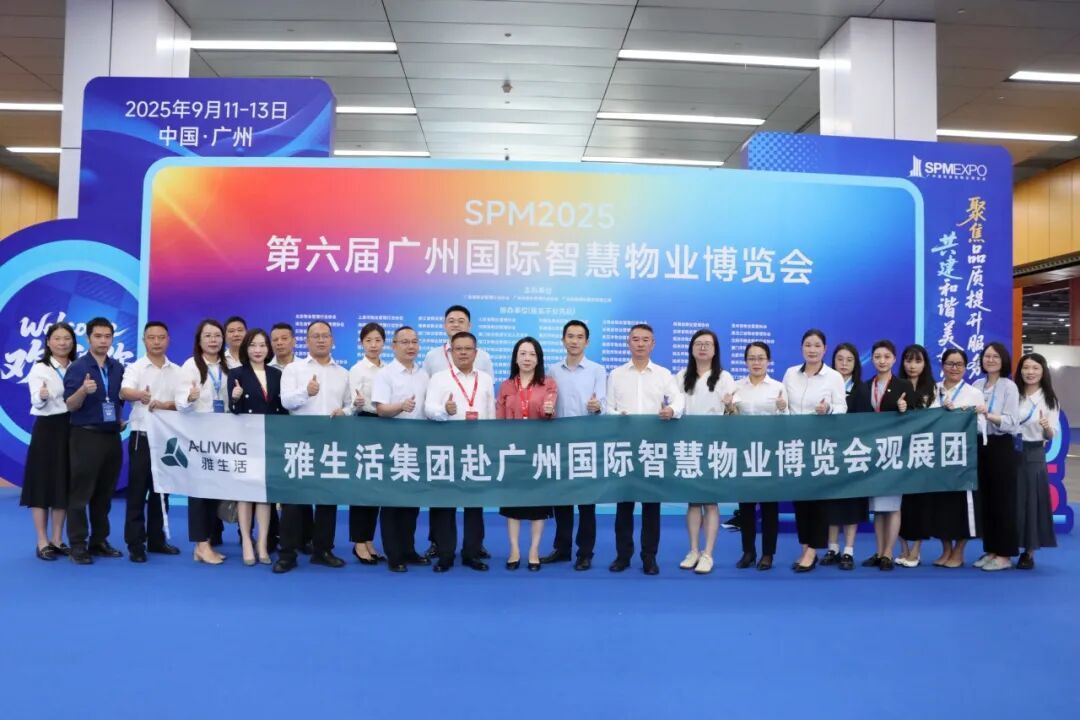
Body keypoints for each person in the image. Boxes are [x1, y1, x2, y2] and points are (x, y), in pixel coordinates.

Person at [606, 323, 684, 575]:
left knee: (651, 506)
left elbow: (679, 400)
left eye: (645, 340)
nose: (640, 344)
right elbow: (608, 408)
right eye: (635, 339)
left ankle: (649, 557)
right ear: (628, 343)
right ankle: (623, 556)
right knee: (624, 505)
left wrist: (671, 410)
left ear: (653, 344)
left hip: (652, 448)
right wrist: (617, 415)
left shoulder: (663, 374)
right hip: (624, 447)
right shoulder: (616, 374)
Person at [276, 320, 353, 573]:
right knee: (293, 501)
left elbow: (349, 404)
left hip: (331, 443)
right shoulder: (293, 369)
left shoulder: (343, 373)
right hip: (300, 442)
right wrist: (306, 392)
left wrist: (346, 412)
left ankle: (323, 550)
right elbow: (286, 402)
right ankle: (287, 554)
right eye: (315, 336)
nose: (321, 340)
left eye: (325, 336)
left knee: (327, 500)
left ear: (332, 340)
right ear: (306, 341)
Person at [421, 304, 493, 562]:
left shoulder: (485, 378)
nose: (463, 353)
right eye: (458, 349)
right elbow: (428, 408)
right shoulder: (439, 378)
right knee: (445, 502)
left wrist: (491, 443)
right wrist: (445, 410)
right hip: (446, 446)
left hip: (476, 447)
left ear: (476, 352)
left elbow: (491, 412)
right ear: (450, 352)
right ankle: (445, 553)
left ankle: (472, 552)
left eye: (467, 349)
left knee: (474, 503)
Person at [782, 328, 847, 573]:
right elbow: (784, 408)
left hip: (821, 445)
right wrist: (781, 407)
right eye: (808, 345)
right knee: (800, 500)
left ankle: (812, 550)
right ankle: (805, 546)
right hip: (796, 445)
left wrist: (827, 409)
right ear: (802, 348)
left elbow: (842, 408)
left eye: (817, 345)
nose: (812, 349)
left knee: (818, 500)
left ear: (825, 349)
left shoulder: (833, 377)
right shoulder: (790, 373)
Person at [63, 317, 126, 565]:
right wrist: (82, 391)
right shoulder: (78, 368)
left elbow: (117, 400)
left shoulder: (117, 367)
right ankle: (77, 544)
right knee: (80, 494)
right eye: (98, 336)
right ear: (88, 338)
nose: (103, 341)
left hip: (111, 437)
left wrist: (118, 420)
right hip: (85, 436)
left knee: (105, 494)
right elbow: (70, 405)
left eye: (107, 336)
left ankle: (99, 540)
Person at [119, 321, 182, 563]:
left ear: (168, 340)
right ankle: (135, 544)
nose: (156, 342)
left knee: (162, 491)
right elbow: (124, 391)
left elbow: (183, 403)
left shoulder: (177, 371)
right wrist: (140, 395)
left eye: (161, 337)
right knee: (137, 491)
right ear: (144, 340)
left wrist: (166, 405)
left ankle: (157, 540)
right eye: (151, 337)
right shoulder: (136, 367)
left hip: (167, 439)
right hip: (142, 437)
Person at [545, 319, 605, 570]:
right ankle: (562, 548)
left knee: (586, 502)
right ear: (563, 340)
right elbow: (548, 402)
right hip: (559, 443)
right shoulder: (552, 370)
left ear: (587, 342)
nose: (574, 341)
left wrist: (597, 406)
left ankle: (585, 552)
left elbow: (604, 405)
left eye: (580, 337)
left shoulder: (597, 370)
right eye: (570, 336)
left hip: (586, 443)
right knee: (562, 499)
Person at [371, 326, 431, 572]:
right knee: (392, 503)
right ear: (394, 346)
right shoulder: (385, 374)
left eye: (414, 341)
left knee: (411, 504)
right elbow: (380, 409)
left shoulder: (424, 374)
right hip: (392, 446)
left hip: (417, 447)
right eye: (405, 342)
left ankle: (408, 549)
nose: (411, 346)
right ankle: (394, 555)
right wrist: (400, 406)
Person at [850, 340, 913, 572]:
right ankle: (878, 551)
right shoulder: (865, 386)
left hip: (896, 452)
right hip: (873, 453)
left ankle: (888, 553)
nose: (882, 361)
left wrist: (904, 409)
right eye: (877, 357)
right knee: (878, 506)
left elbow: (916, 420)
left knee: (893, 505)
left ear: (894, 359)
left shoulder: (904, 385)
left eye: (886, 357)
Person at [676, 329, 734, 575]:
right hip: (688, 445)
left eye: (707, 344)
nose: (702, 348)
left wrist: (730, 406)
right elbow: (675, 406)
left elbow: (732, 414)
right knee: (693, 500)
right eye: (698, 343)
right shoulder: (681, 376)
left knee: (710, 501)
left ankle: (708, 553)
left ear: (715, 350)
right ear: (691, 348)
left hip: (713, 445)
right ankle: (693, 550)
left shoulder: (724, 377)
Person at [496, 337, 558, 571]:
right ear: (515, 358)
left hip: (538, 451)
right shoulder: (506, 386)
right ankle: (514, 550)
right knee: (513, 504)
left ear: (538, 359)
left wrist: (548, 411)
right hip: (512, 451)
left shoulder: (548, 384)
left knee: (537, 504)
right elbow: (499, 418)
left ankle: (534, 550)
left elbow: (548, 412)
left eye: (532, 354)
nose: (527, 358)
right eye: (522, 353)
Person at [228, 328, 288, 566]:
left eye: (262, 345)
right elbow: (233, 411)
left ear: (268, 349)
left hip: (269, 440)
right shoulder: (237, 374)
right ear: (246, 348)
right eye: (253, 345)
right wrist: (235, 398)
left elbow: (282, 409)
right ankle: (246, 541)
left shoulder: (277, 374)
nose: (258, 350)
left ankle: (262, 543)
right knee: (245, 493)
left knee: (264, 495)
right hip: (245, 440)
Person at [176, 319, 230, 565]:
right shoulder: (190, 366)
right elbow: (181, 405)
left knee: (213, 491)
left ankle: (205, 543)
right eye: (207, 335)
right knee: (198, 492)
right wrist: (190, 397)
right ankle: (201, 543)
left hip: (223, 437)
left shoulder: (228, 365)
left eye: (217, 335)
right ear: (199, 340)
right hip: (198, 437)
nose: (213, 340)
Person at [22, 322, 77, 560]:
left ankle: (57, 539)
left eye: (67, 338)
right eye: (57, 338)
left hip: (71, 428)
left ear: (73, 342)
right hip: (47, 429)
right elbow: (36, 399)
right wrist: (42, 396)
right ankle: (42, 541)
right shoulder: (40, 368)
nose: (62, 343)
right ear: (48, 342)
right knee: (42, 483)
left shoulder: (77, 367)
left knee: (63, 482)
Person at [728, 341, 785, 571]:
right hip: (744, 453)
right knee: (746, 506)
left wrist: (783, 408)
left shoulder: (778, 387)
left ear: (768, 361)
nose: (756, 362)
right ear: (745, 362)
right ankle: (748, 552)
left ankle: (768, 553)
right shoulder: (736, 387)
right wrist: (729, 409)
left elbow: (788, 422)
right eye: (751, 358)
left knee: (770, 507)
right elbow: (730, 421)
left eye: (761, 358)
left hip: (770, 453)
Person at [972, 341, 1020, 572]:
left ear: (1003, 361)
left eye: (995, 357)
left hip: (1001, 446)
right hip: (979, 445)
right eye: (987, 356)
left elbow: (1011, 422)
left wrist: (988, 415)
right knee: (986, 500)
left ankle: (1004, 554)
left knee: (1003, 501)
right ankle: (991, 549)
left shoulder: (1009, 386)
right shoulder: (977, 385)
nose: (990, 360)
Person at [933, 348, 983, 568]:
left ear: (965, 367)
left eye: (959, 364)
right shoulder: (933, 390)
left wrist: (963, 414)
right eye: (950, 364)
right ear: (942, 366)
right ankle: (946, 549)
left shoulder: (973, 393)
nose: (954, 368)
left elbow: (981, 425)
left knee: (964, 506)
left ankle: (959, 551)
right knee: (941, 505)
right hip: (937, 457)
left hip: (964, 459)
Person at [821, 342, 866, 570]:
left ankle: (848, 550)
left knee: (851, 503)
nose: (844, 364)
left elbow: (866, 423)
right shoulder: (826, 386)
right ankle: (832, 548)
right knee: (831, 501)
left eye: (849, 360)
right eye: (840, 359)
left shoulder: (862, 389)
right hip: (829, 451)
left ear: (856, 363)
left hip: (853, 453)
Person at [1013, 352, 1059, 570]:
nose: (1030, 372)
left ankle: (1029, 551)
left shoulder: (1049, 399)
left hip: (1033, 454)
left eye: (1035, 368)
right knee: (1010, 500)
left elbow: (1051, 435)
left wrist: (1046, 427)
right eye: (1026, 368)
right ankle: (1003, 547)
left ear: (1043, 372)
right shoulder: (1013, 394)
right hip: (1010, 451)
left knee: (1031, 502)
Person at [347, 322, 386, 565]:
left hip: (384, 426)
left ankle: (369, 540)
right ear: (362, 343)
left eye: (377, 340)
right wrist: (358, 404)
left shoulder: (389, 369)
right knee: (362, 486)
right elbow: (353, 403)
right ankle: (358, 542)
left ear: (384, 343)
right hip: (364, 424)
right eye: (368, 340)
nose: (373, 345)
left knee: (376, 487)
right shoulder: (357, 370)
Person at [896, 344, 938, 568]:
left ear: (925, 364)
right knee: (899, 503)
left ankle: (916, 550)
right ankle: (903, 548)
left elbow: (936, 420)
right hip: (898, 453)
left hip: (923, 453)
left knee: (921, 503)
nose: (912, 366)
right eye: (908, 360)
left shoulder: (933, 389)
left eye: (917, 361)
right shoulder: (895, 386)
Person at [267, 322, 299, 553]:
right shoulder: (265, 369)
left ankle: (303, 537)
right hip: (273, 434)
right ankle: (272, 536)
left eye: (284, 338)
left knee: (299, 488)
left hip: (300, 434)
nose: (279, 343)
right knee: (273, 487)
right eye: (275, 339)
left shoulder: (305, 368)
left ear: (294, 341)